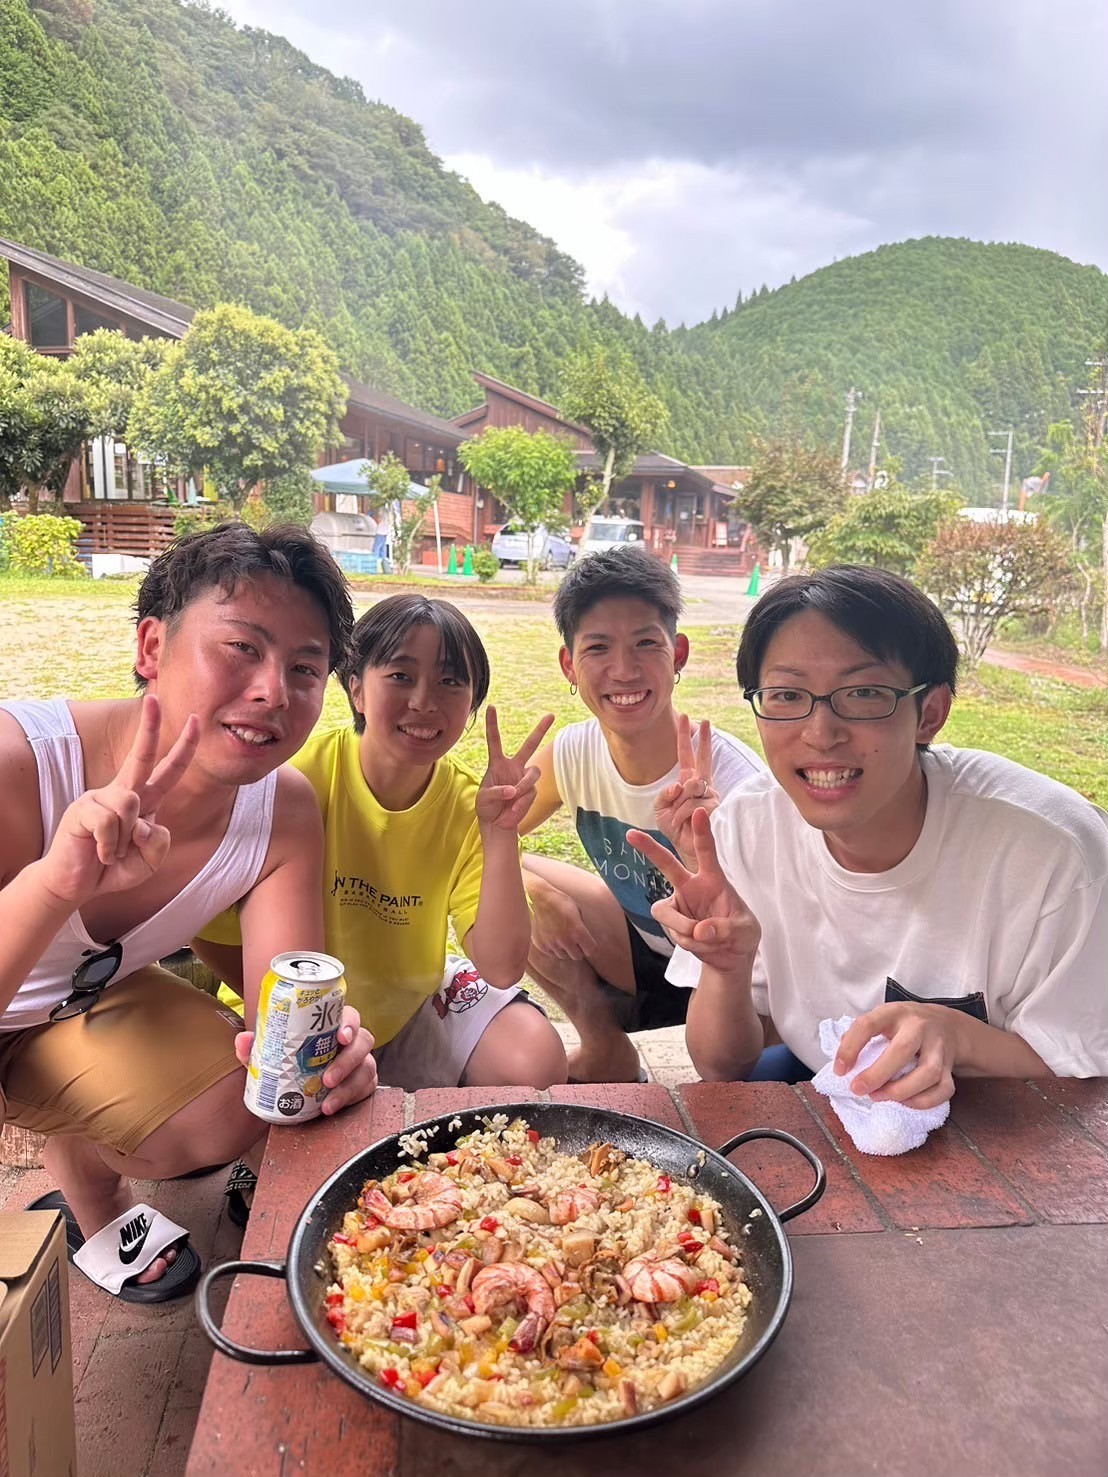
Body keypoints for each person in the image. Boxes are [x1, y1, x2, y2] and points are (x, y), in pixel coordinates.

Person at [0, 523, 377, 1303]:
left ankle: (88, 1181)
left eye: (306, 668)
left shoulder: (283, 811)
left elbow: (279, 1020)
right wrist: (53, 885)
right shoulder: (18, 766)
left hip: (76, 1003)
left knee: (233, 1103)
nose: (274, 690)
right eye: (243, 647)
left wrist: (329, 1053)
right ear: (152, 646)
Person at [628, 565, 1108, 1100]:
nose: (820, 734)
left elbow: (1086, 1076)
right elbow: (722, 1067)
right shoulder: (748, 826)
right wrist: (726, 968)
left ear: (930, 712)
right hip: (831, 1078)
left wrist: (958, 1038)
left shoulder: (1054, 854)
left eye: (862, 693)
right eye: (787, 696)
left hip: (999, 1105)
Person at [194, 594, 567, 1099]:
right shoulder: (297, 782)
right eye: (400, 676)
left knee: (534, 1057)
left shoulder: (471, 803)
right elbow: (209, 932)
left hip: (409, 1008)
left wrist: (499, 834)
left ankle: (394, 1087)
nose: (424, 701)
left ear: (472, 703)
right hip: (297, 1015)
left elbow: (501, 967)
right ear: (356, 689)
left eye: (450, 682)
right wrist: (302, 1014)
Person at [517, 547, 764, 1083]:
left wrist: (712, 849)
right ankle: (606, 1050)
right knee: (506, 880)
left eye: (646, 644)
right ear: (569, 665)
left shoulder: (739, 782)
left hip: (735, 980)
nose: (624, 670)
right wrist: (528, 890)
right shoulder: (571, 753)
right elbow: (473, 835)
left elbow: (781, 946)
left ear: (678, 655)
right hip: (642, 954)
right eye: (598, 647)